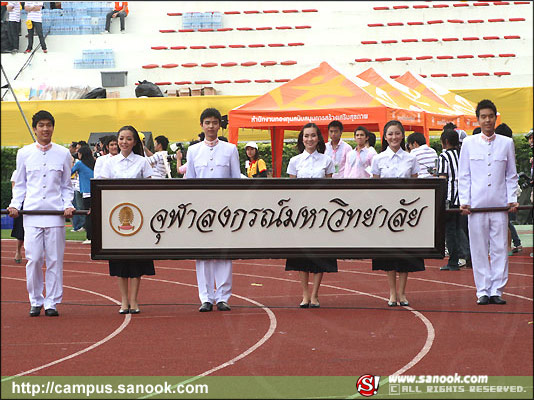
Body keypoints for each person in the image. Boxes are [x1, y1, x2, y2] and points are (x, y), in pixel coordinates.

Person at [7, 110, 75, 317]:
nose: (46, 129)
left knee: (55, 259)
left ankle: (52, 302)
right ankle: (35, 300)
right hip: (32, 214)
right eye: (41, 125)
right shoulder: (24, 153)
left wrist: (68, 204)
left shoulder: (63, 153)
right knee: (34, 258)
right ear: (35, 128)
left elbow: (66, 186)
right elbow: (20, 185)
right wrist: (15, 205)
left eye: (49, 125)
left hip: (54, 214)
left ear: (53, 127)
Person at [458, 99, 518, 305]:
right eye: (483, 117)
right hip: (476, 206)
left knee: (500, 247)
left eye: (490, 116)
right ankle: (482, 290)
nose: (487, 120)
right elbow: (463, 175)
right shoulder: (468, 143)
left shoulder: (506, 143)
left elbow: (511, 175)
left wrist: (512, 200)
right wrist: (464, 201)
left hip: (500, 205)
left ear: (495, 118)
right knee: (479, 248)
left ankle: (497, 290)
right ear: (478, 119)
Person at [185, 108, 241, 312]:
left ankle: (224, 296)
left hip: (224, 210)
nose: (211, 126)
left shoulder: (230, 149)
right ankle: (206, 297)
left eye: (214, 123)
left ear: (219, 125)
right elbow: (189, 180)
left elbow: (236, 179)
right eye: (207, 122)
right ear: (201, 125)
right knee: (203, 254)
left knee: (224, 253)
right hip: (200, 211)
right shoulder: (193, 151)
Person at [101, 125, 154, 314]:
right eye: (121, 138)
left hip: (138, 216)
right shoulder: (108, 163)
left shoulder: (142, 162)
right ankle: (123, 300)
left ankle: (134, 299)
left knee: (136, 260)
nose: (124, 142)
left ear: (135, 142)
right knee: (120, 260)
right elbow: (102, 188)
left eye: (128, 138)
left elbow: (150, 188)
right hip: (115, 218)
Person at [370, 120, 423, 307]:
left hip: (407, 213)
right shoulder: (378, 159)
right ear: (385, 137)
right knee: (389, 253)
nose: (394, 137)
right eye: (390, 134)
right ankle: (392, 293)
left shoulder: (411, 159)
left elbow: (416, 185)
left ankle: (403, 292)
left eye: (397, 133)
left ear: (403, 136)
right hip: (385, 213)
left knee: (405, 252)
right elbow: (374, 186)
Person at [286, 123, 336, 308]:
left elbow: (330, 188)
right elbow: (291, 190)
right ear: (302, 139)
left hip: (322, 215)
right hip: (301, 215)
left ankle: (315, 294)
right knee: (301, 255)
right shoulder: (294, 161)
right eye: (306, 136)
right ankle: (305, 294)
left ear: (318, 138)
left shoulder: (327, 160)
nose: (309, 139)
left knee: (319, 254)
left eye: (313, 136)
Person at [437, 128, 471, 271]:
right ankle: (469, 257)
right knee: (461, 229)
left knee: (450, 231)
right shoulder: (462, 154)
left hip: (450, 198)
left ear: (445, 142)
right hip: (463, 197)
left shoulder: (443, 157)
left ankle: (453, 261)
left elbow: (442, 179)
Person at [495, 123, 523, 255]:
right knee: (505, 221)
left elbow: (510, 174)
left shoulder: (504, 148)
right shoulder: (507, 148)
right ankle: (513, 244)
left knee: (505, 221)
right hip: (505, 191)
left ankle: (508, 247)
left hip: (505, 192)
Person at [71, 145, 95, 245]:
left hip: (86, 192)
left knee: (87, 215)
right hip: (96, 190)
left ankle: (89, 236)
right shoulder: (94, 162)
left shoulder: (80, 164)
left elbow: (70, 172)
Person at [10, 169, 24, 263]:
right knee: (20, 230)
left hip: (36, 202)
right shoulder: (16, 172)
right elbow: (15, 188)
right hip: (22, 203)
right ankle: (18, 251)